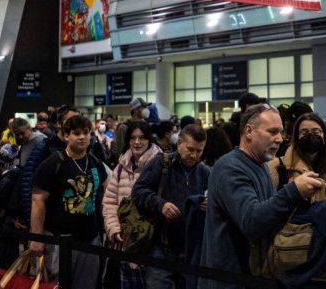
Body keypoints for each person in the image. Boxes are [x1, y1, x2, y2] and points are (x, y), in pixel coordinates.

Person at [198, 104, 323, 289]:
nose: (279, 138)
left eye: (281, 132)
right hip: (228, 280)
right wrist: (293, 191)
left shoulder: (261, 165)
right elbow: (251, 222)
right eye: (272, 132)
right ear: (249, 131)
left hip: (252, 276)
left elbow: (268, 216)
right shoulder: (230, 168)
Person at [30, 115, 107, 289]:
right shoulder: (52, 164)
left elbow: (103, 195)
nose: (82, 137)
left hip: (90, 238)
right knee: (57, 285)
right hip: (59, 239)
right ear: (66, 136)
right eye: (76, 133)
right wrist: (37, 238)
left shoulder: (95, 162)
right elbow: (37, 200)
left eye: (86, 133)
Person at [133, 124, 210, 289]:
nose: (194, 155)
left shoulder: (205, 172)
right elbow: (138, 191)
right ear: (179, 143)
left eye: (199, 151)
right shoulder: (162, 163)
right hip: (162, 246)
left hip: (191, 250)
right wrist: (160, 204)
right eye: (190, 149)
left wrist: (210, 205)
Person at [101, 120, 161, 289]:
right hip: (126, 242)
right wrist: (114, 229)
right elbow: (109, 202)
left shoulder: (161, 165)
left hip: (152, 245)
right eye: (133, 138)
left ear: (149, 140)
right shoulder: (121, 167)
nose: (137, 142)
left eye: (142, 137)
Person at [268, 113, 326, 202]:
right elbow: (268, 204)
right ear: (297, 137)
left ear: (325, 136)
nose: (310, 136)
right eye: (304, 132)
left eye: (316, 132)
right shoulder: (278, 166)